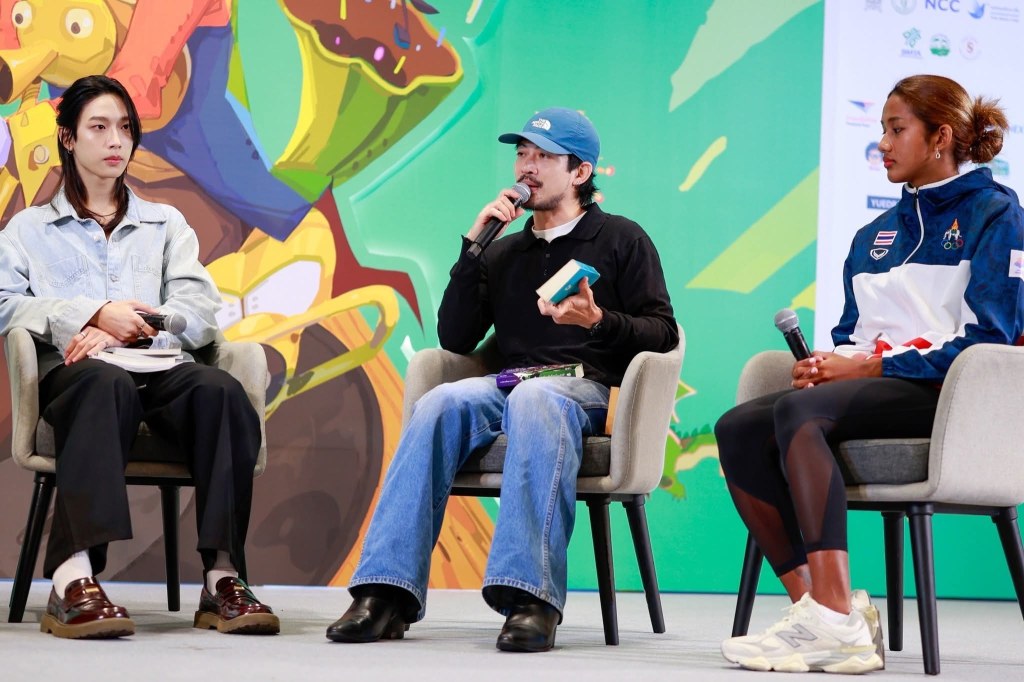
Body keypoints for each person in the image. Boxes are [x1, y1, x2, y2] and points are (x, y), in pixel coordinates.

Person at [326, 107, 678, 652]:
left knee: (537, 397)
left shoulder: (620, 238)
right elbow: (456, 338)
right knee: (440, 401)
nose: (526, 167)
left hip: (585, 388)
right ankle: (385, 594)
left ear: (580, 172)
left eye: (543, 156)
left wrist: (597, 320)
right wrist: (474, 247)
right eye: (522, 154)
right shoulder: (505, 251)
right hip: (512, 382)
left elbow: (663, 333)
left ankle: (530, 599)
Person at [717, 74, 1024, 674]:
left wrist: (873, 364)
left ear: (940, 137)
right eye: (881, 129)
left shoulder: (997, 215)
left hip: (952, 397)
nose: (881, 144)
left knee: (797, 413)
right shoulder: (871, 237)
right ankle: (819, 611)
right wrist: (830, 366)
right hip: (882, 387)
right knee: (738, 428)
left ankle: (833, 615)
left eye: (895, 129)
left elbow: (990, 341)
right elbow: (852, 335)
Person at [0, 75, 279, 639]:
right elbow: (4, 303)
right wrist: (90, 314)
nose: (116, 141)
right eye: (99, 127)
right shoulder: (29, 229)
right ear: (67, 138)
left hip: (160, 367)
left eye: (125, 128)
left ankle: (223, 577)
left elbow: (200, 308)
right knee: (105, 385)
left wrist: (135, 327)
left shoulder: (165, 223)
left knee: (222, 391)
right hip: (77, 377)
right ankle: (73, 577)